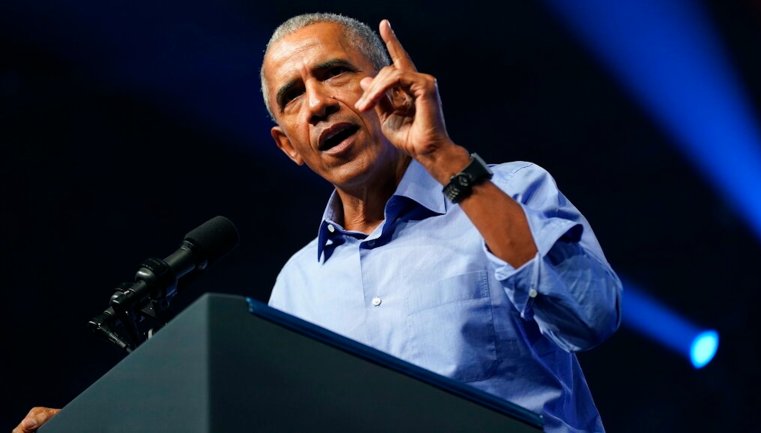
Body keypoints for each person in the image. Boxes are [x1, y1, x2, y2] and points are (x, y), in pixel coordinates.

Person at [13, 12, 621, 433]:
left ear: (385, 82)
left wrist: (442, 157)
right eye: (292, 96)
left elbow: (589, 317)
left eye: (332, 72)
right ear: (290, 146)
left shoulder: (503, 190)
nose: (318, 102)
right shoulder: (296, 288)